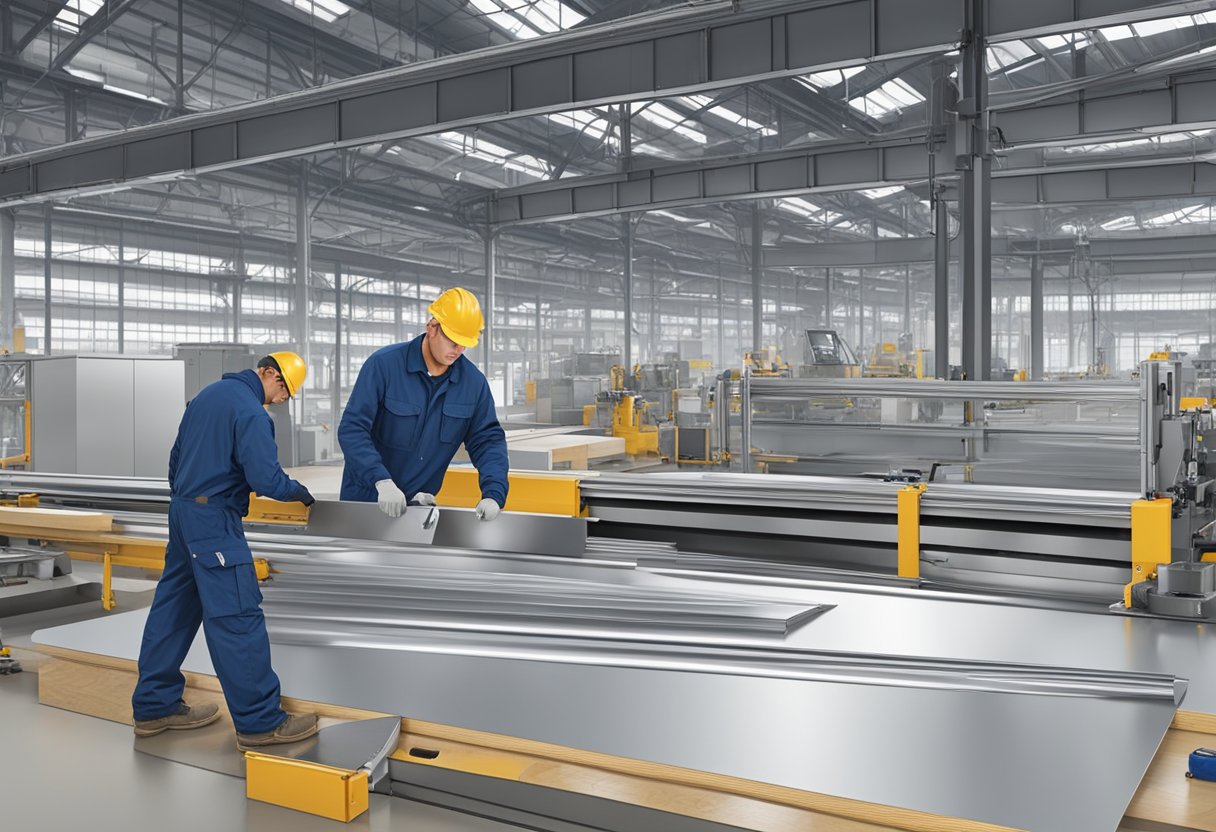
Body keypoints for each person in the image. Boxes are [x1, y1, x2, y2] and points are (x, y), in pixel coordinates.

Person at [132, 352, 320, 750]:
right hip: (214, 523)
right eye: (282, 389)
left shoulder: (206, 397)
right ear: (268, 373)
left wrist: (191, 501)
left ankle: (154, 707)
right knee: (237, 616)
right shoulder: (251, 413)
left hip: (183, 513)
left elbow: (175, 460)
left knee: (173, 611)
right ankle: (260, 722)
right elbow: (265, 478)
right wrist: (299, 494)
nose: (281, 399)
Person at [338, 287, 508, 519]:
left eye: (464, 343)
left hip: (417, 508)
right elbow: (353, 429)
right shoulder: (384, 366)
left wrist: (493, 493)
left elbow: (487, 441)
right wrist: (381, 481)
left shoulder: (473, 384)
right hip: (366, 501)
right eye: (452, 340)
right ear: (432, 328)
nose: (458, 350)